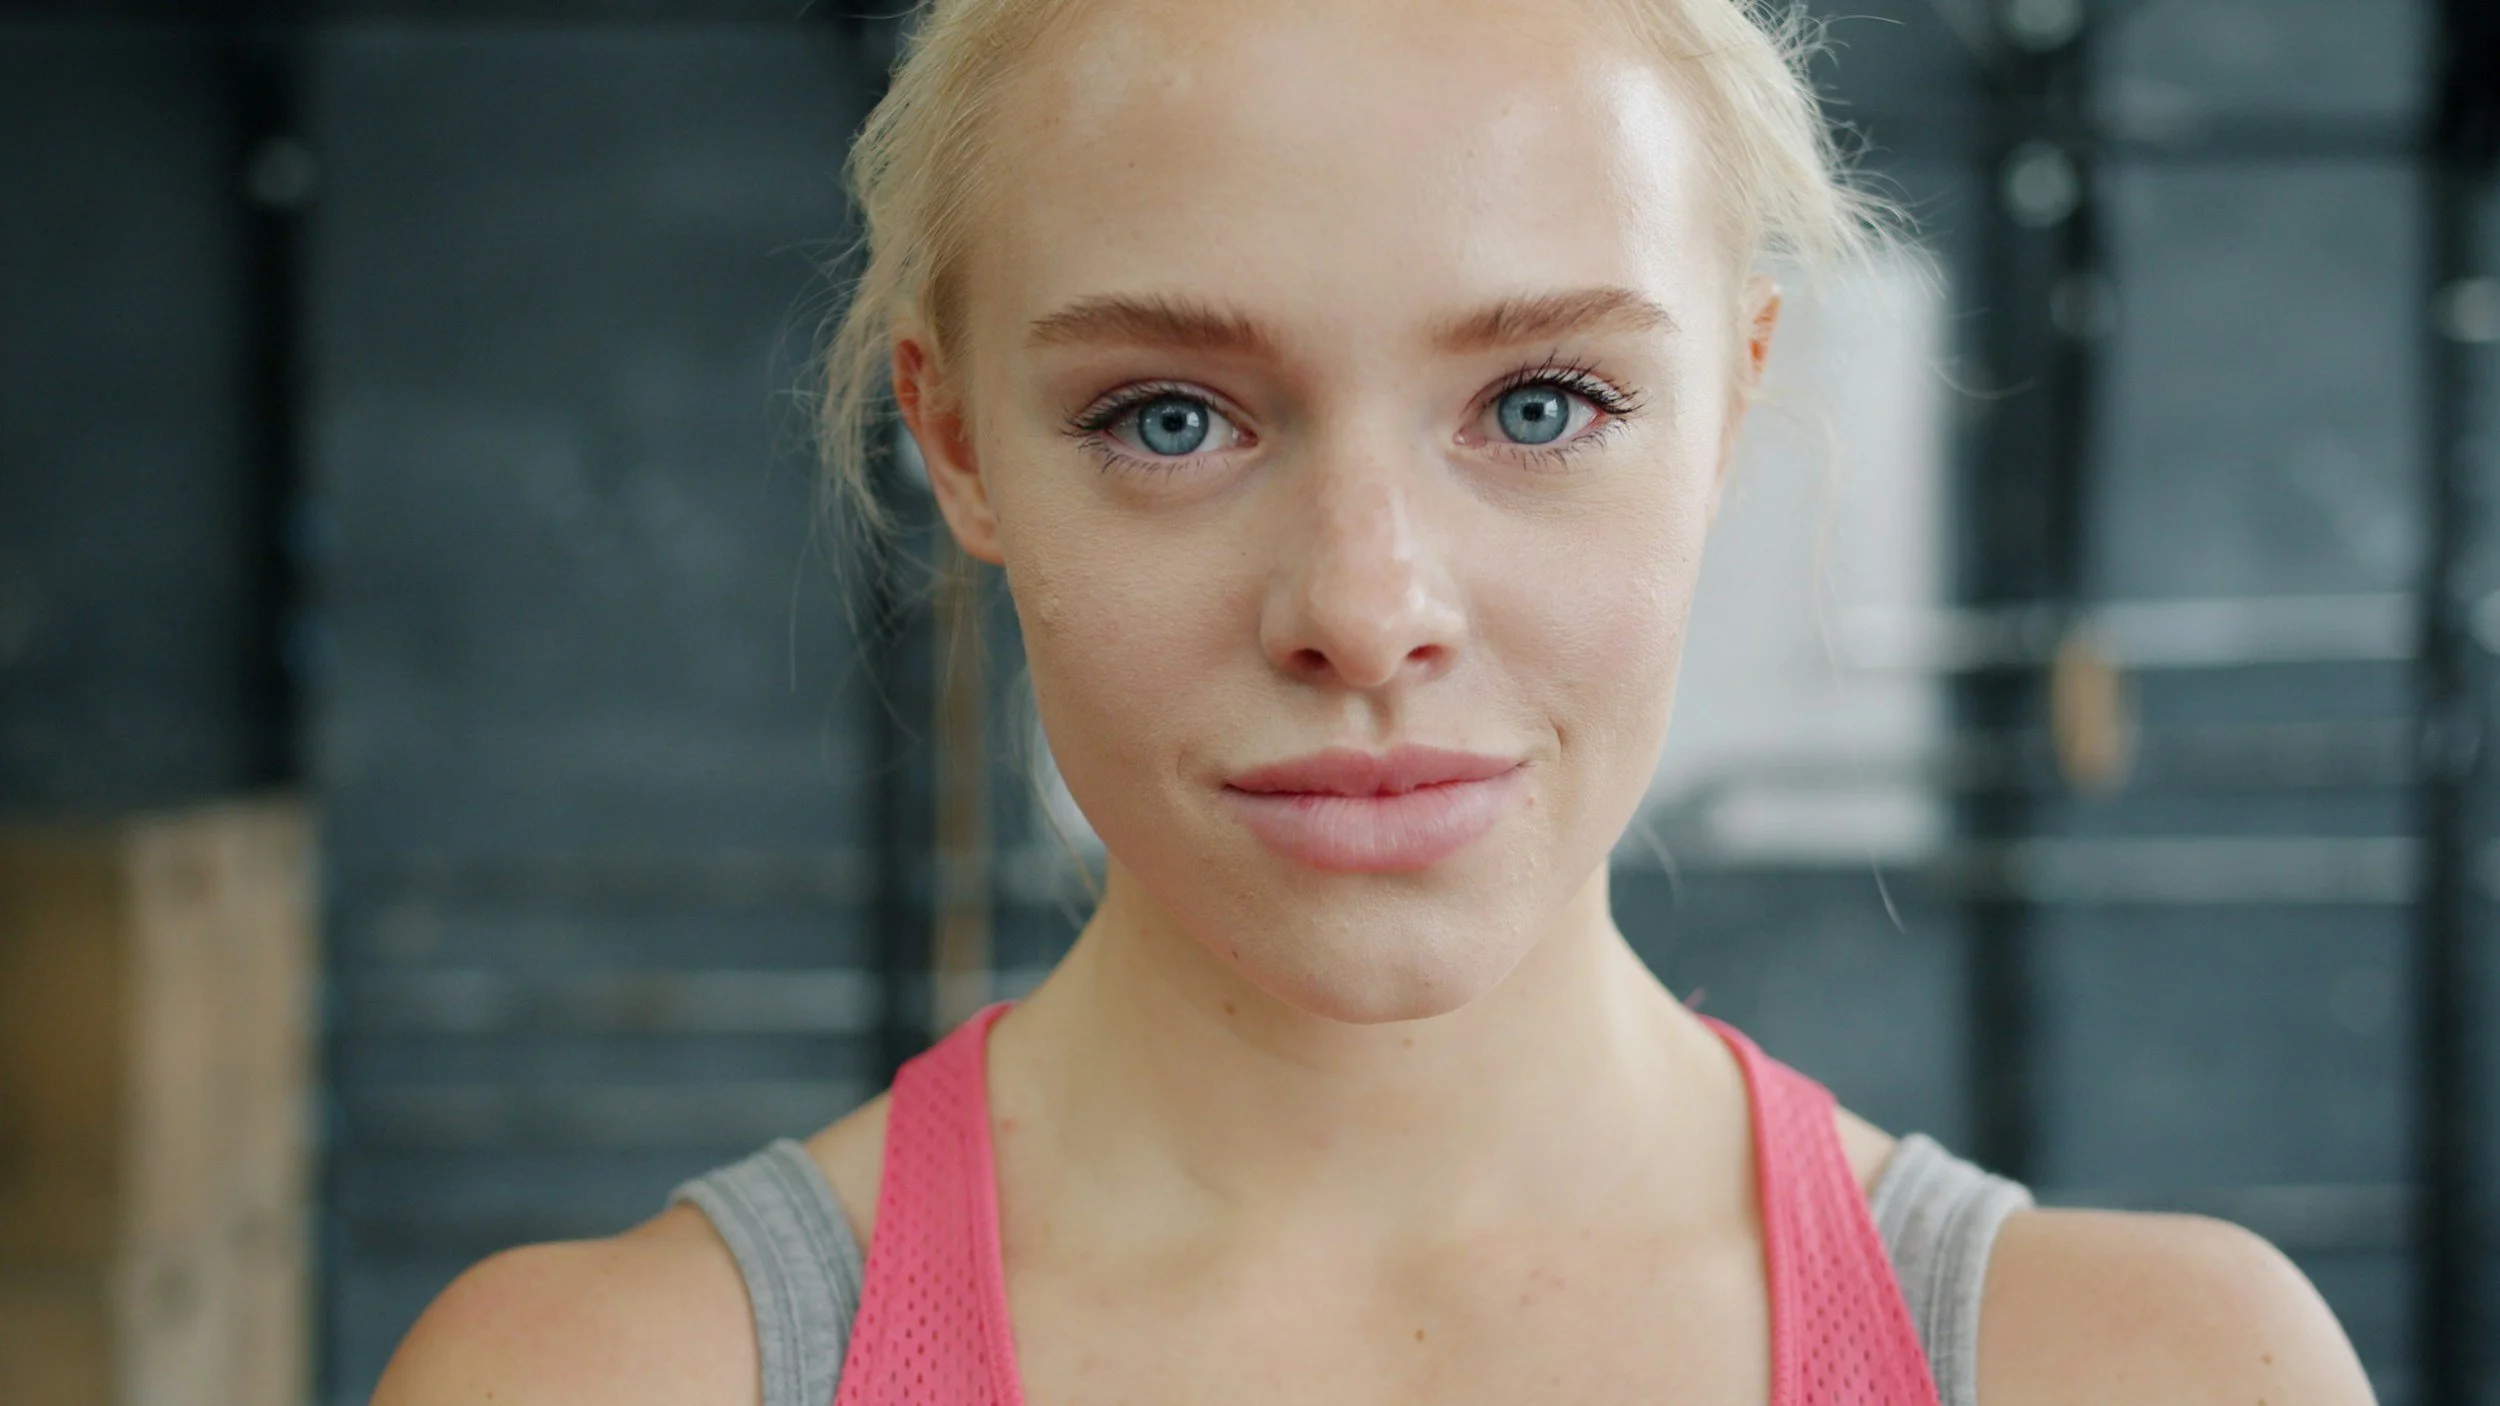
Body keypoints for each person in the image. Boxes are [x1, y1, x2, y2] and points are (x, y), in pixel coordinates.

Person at [376, 0, 2378, 1401]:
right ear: (956, 435)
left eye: (1537, 405)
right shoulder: (602, 1378)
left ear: (1737, 407)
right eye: (1166, 417)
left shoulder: (2159, 1372)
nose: (1362, 605)